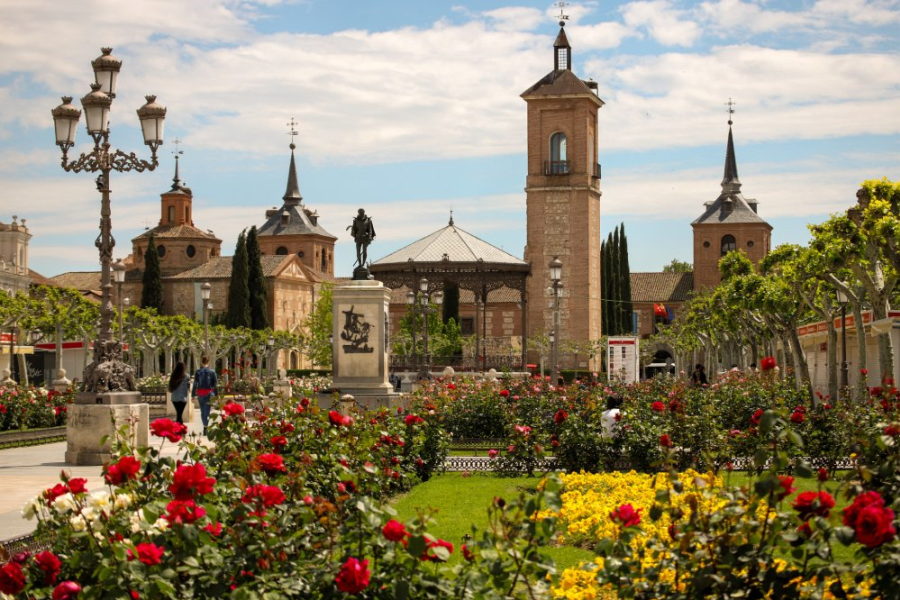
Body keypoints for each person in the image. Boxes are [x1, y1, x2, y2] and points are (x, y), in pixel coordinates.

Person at [192, 355, 218, 436]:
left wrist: (193, 395)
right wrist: (217, 396)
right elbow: (215, 384)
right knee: (207, 411)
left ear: (201, 362)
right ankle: (206, 427)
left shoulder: (198, 372)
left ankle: (205, 426)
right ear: (208, 362)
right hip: (209, 393)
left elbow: (195, 384)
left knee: (202, 411)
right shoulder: (212, 372)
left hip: (200, 394)